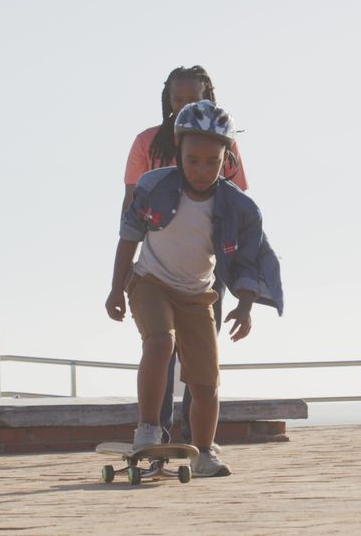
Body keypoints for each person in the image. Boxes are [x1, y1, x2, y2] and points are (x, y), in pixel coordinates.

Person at [105, 100, 283, 477]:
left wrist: (245, 305)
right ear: (179, 152)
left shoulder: (240, 207)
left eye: (212, 162)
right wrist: (116, 288)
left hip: (198, 293)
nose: (202, 170)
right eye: (193, 160)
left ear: (227, 160)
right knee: (160, 343)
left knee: (206, 379)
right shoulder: (154, 185)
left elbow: (249, 260)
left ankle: (205, 452)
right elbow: (128, 237)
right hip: (150, 281)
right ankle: (149, 427)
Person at [123, 65, 249, 444]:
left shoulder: (224, 147)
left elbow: (236, 202)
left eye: (192, 100)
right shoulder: (147, 143)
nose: (182, 107)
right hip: (159, 264)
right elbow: (130, 203)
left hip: (206, 266)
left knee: (200, 360)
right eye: (177, 100)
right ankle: (154, 429)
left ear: (207, 99)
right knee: (160, 345)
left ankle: (198, 440)